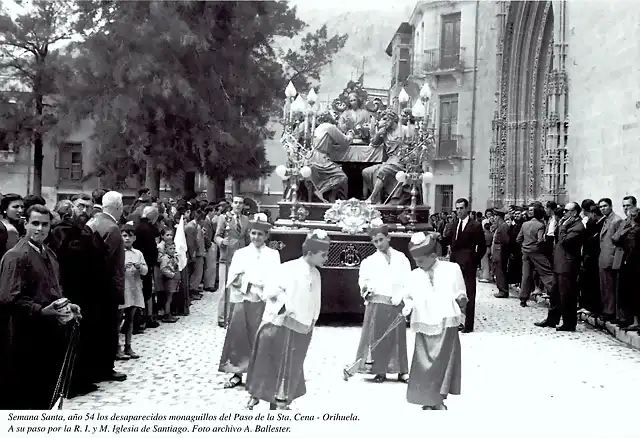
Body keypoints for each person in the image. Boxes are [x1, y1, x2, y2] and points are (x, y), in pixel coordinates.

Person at [0, 204, 82, 409]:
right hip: (25, 337)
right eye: (35, 223)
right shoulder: (16, 256)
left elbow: (53, 290)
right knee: (28, 397)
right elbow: (9, 299)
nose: (40, 229)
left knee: (48, 394)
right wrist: (42, 310)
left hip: (50, 335)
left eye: (45, 225)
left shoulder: (50, 254)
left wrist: (67, 306)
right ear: (25, 223)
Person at [245, 229, 330, 410]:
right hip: (282, 325)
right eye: (323, 255)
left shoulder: (316, 274)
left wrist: (313, 319)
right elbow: (269, 292)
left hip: (303, 327)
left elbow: (316, 299)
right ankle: (258, 394)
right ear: (310, 253)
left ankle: (282, 398)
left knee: (293, 363)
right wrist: (285, 304)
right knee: (271, 361)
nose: (326, 259)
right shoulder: (288, 268)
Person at [401, 232, 466, 410]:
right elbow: (408, 295)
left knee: (442, 362)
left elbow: (460, 291)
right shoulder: (415, 274)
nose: (417, 264)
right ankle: (426, 398)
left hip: (446, 321)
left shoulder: (452, 269)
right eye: (415, 260)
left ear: (433, 256)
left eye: (420, 261)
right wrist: (407, 305)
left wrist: (461, 299)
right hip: (424, 321)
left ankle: (437, 398)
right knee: (423, 362)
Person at [49, 200, 106, 397]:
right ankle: (75, 382)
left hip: (70, 288)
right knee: (76, 336)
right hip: (79, 289)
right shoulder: (72, 234)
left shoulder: (63, 233)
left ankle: (72, 381)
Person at [219, 213, 281, 390]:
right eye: (253, 233)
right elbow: (233, 278)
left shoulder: (273, 255)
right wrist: (251, 283)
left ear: (266, 236)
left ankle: (262, 374)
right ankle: (237, 373)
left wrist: (265, 289)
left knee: (263, 336)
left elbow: (276, 277)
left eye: (260, 234)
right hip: (244, 300)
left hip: (264, 301)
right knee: (239, 336)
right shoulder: (241, 254)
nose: (256, 237)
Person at [354, 218, 410, 383]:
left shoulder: (401, 258)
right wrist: (366, 290)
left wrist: (403, 297)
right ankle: (379, 370)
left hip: (396, 301)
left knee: (398, 337)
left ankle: (401, 371)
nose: (378, 243)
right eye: (375, 241)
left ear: (388, 238)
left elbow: (408, 279)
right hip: (378, 303)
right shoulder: (370, 261)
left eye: (381, 239)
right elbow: (363, 281)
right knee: (378, 336)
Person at [87, 191, 127, 382]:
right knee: (109, 328)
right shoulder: (113, 228)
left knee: (97, 328)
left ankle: (96, 365)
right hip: (108, 287)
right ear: (118, 206)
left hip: (93, 286)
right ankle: (106, 367)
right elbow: (112, 263)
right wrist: (119, 292)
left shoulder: (93, 222)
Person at [441, 198, 486, 332]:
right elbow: (449, 241)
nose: (459, 211)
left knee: (469, 293)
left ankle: (468, 324)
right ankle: (457, 320)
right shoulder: (454, 224)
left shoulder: (475, 225)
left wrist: (474, 260)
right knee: (454, 291)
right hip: (455, 263)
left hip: (468, 264)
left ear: (467, 209)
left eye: (461, 208)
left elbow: (482, 246)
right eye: (457, 209)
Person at [214, 196, 250, 327]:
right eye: (236, 203)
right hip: (227, 256)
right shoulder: (224, 218)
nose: (238, 205)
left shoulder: (246, 220)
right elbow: (217, 235)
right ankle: (222, 318)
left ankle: (234, 316)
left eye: (240, 203)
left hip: (241, 257)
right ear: (232, 204)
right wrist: (221, 241)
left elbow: (247, 238)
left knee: (240, 288)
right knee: (225, 288)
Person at [306, 111, 353, 202]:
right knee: (342, 177)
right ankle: (321, 191)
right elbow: (345, 141)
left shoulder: (319, 127)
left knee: (335, 175)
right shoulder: (329, 127)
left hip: (313, 157)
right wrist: (351, 134)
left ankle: (331, 197)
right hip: (321, 159)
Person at [118, 224, 148, 359]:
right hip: (122, 289)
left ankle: (128, 346)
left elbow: (146, 270)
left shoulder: (138, 253)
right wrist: (122, 268)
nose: (127, 239)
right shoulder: (118, 253)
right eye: (124, 235)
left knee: (130, 318)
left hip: (134, 287)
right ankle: (117, 346)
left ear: (134, 238)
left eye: (130, 236)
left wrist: (140, 267)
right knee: (118, 319)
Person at [156, 226, 180, 323]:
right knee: (165, 296)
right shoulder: (161, 248)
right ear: (162, 236)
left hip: (170, 276)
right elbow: (161, 263)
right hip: (164, 275)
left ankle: (167, 312)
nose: (170, 237)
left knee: (168, 296)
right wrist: (172, 274)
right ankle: (165, 313)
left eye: (171, 235)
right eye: (167, 235)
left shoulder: (170, 251)